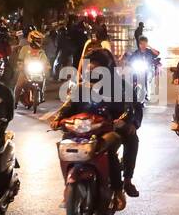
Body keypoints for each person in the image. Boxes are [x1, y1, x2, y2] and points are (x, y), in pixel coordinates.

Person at [50, 47, 140, 199]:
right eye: (90, 64)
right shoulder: (80, 88)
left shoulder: (121, 87)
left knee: (126, 140)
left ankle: (123, 185)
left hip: (108, 129)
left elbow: (130, 108)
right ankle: (68, 185)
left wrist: (124, 121)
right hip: (84, 128)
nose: (92, 68)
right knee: (65, 142)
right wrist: (57, 118)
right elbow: (68, 106)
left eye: (96, 64)